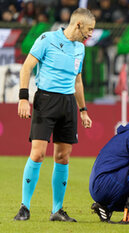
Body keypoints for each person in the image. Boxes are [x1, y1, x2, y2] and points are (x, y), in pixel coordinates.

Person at [14, 8, 95, 222]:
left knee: (62, 157)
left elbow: (77, 81)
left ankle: (57, 210)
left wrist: (83, 110)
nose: (91, 34)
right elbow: (26, 68)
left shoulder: (80, 49)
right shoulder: (47, 39)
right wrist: (23, 97)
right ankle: (24, 207)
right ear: (78, 25)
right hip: (46, 101)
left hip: (68, 104)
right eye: (89, 29)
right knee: (38, 154)